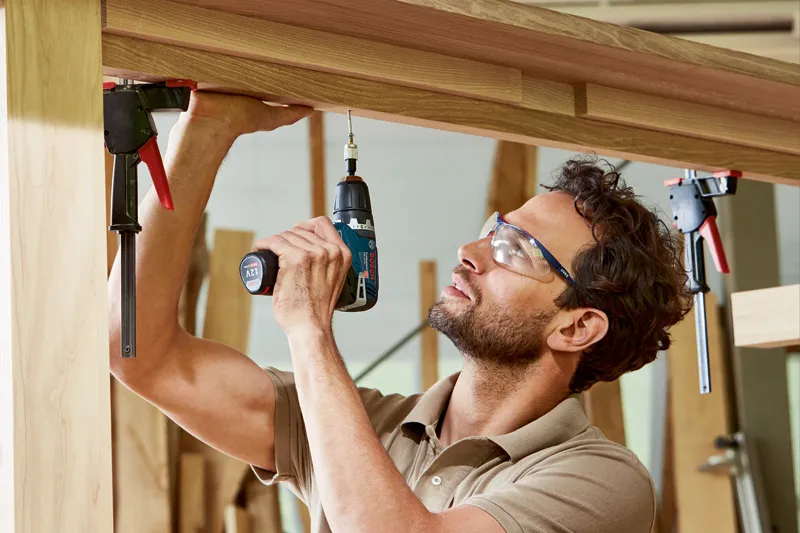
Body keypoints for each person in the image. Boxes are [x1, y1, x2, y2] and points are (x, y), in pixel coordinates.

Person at [109, 92, 692, 533]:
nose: (470, 251)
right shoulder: (365, 428)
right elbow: (136, 350)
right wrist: (207, 129)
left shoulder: (601, 482)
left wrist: (310, 331)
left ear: (578, 326)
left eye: (515, 250)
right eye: (494, 230)